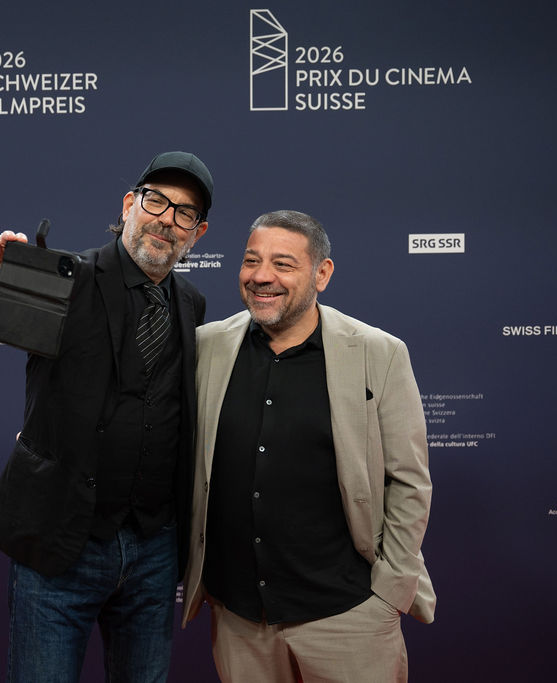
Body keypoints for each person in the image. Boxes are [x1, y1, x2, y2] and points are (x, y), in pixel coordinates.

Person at [0, 151, 213, 682]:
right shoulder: (69, 276)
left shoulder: (192, 303)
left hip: (154, 550)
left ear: (197, 233)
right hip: (61, 541)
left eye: (184, 212)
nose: (166, 219)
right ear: (129, 205)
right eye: (156, 201)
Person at [182, 210, 435, 682]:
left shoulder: (378, 353)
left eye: (283, 264)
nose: (261, 276)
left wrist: (390, 592)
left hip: (348, 615)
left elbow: (408, 480)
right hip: (239, 620)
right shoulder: (206, 347)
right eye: (251, 260)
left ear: (322, 273)